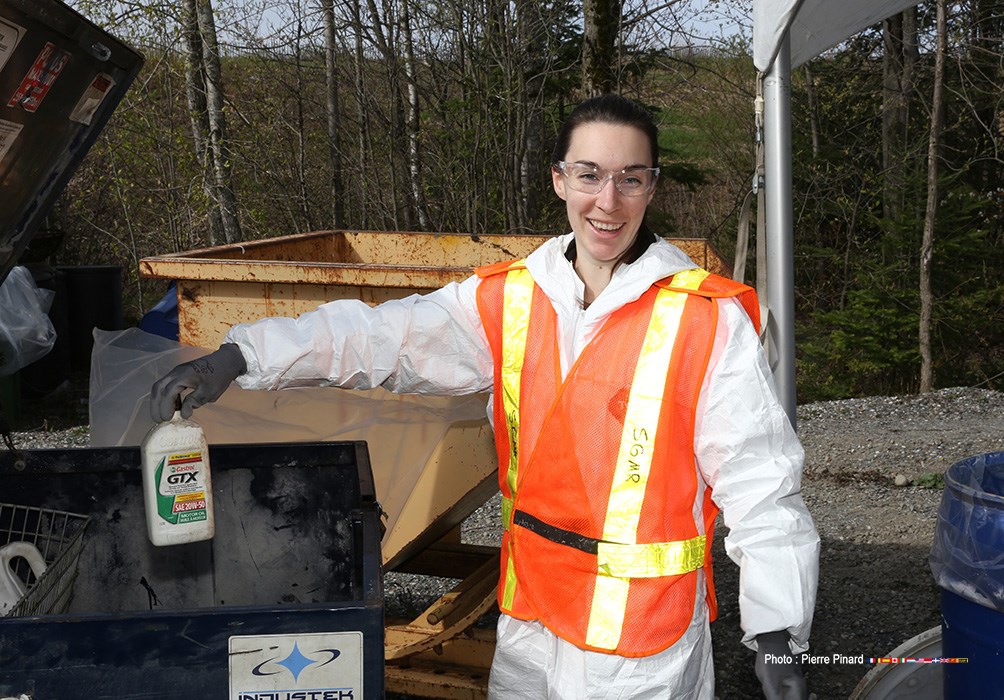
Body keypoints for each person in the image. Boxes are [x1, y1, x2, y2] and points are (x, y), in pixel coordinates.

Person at [150, 94, 819, 699]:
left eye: (629, 178)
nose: (606, 201)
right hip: (530, 624)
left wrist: (778, 628)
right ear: (559, 179)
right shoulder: (511, 299)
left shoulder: (705, 319)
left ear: (652, 188)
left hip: (640, 653)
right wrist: (244, 354)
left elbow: (762, 485)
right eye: (588, 174)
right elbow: (381, 338)